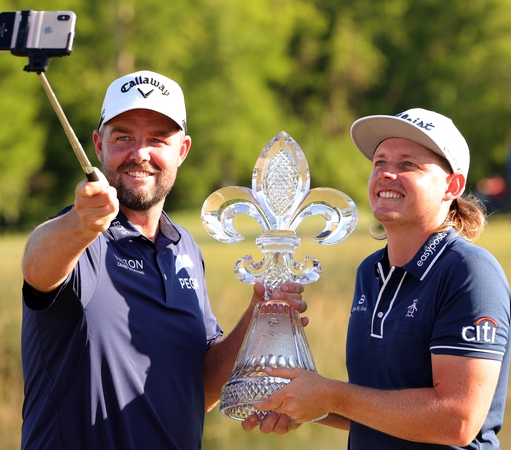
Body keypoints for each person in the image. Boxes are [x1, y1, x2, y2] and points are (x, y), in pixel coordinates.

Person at [20, 70, 306, 449]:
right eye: (123, 137)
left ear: (182, 151)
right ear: (98, 146)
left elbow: (200, 388)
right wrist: (80, 222)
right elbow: (36, 267)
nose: (140, 153)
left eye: (157, 139)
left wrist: (259, 316)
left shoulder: (184, 247)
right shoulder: (77, 237)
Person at [244, 108, 511, 449]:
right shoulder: (370, 272)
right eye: (380, 163)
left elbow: (456, 420)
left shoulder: (469, 272)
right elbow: (374, 405)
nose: (386, 174)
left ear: (452, 186)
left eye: (407, 164)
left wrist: (332, 396)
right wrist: (301, 403)